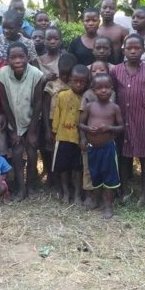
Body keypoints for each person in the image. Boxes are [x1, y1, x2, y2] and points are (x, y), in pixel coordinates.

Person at [111, 34, 145, 204]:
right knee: (124, 157)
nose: (132, 51)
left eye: (136, 48)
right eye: (129, 48)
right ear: (123, 50)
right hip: (123, 120)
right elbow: (115, 93)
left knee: (144, 157)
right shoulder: (116, 70)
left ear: (143, 50)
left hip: (142, 120)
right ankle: (124, 191)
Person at [0, 42, 44, 200]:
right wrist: (15, 130)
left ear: (28, 58)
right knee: (16, 153)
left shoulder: (36, 74)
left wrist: (31, 132)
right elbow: (4, 102)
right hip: (13, 121)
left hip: (32, 121)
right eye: (13, 57)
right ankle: (20, 188)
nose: (17, 60)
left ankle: (30, 186)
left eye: (21, 56)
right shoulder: (2, 73)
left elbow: (38, 104)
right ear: (7, 60)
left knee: (31, 153)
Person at [79, 73, 124, 219]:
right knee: (95, 174)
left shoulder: (114, 108)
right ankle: (96, 200)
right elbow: (80, 124)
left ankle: (109, 206)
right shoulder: (90, 106)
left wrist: (109, 128)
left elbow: (122, 127)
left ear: (112, 89)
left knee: (109, 177)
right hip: (92, 148)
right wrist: (85, 134)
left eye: (107, 87)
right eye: (99, 88)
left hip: (108, 148)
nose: (103, 90)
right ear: (93, 90)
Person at [79, 60, 116, 207]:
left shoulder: (113, 99)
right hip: (91, 144)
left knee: (108, 172)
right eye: (94, 70)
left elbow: (119, 124)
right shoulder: (88, 99)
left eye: (102, 70)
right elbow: (81, 121)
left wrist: (110, 129)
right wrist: (84, 136)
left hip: (107, 145)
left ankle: (107, 203)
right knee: (91, 171)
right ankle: (93, 198)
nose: (98, 72)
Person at [52, 64, 89, 205]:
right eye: (75, 81)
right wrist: (54, 132)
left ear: (87, 82)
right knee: (62, 168)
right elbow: (57, 114)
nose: (78, 84)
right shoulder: (62, 95)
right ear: (70, 81)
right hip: (63, 137)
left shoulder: (87, 97)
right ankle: (66, 193)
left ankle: (78, 194)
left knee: (77, 168)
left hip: (79, 139)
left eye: (82, 82)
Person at [98, 0, 129, 64]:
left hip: (117, 69)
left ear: (115, 10)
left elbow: (127, 53)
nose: (107, 10)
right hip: (98, 69)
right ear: (100, 10)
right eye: (104, 7)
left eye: (111, 8)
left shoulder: (123, 31)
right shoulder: (95, 31)